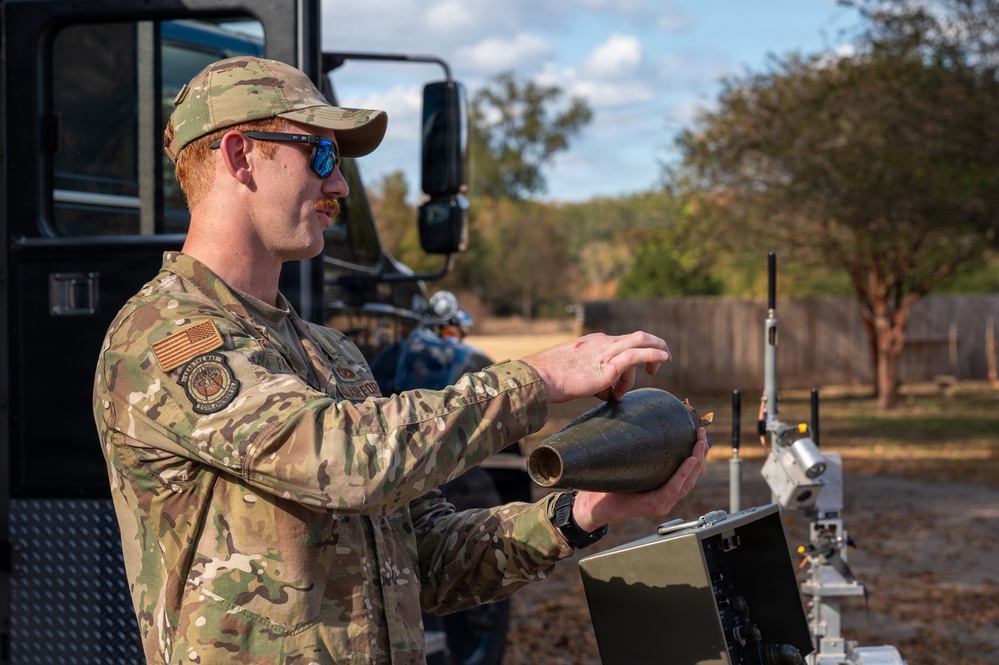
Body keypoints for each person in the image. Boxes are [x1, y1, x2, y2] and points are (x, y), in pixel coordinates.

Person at [93, 55, 708, 665]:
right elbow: (346, 460)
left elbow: (423, 562)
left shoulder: (330, 353)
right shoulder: (162, 335)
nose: (339, 186)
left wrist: (581, 513)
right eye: (322, 156)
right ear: (239, 155)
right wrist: (539, 379)